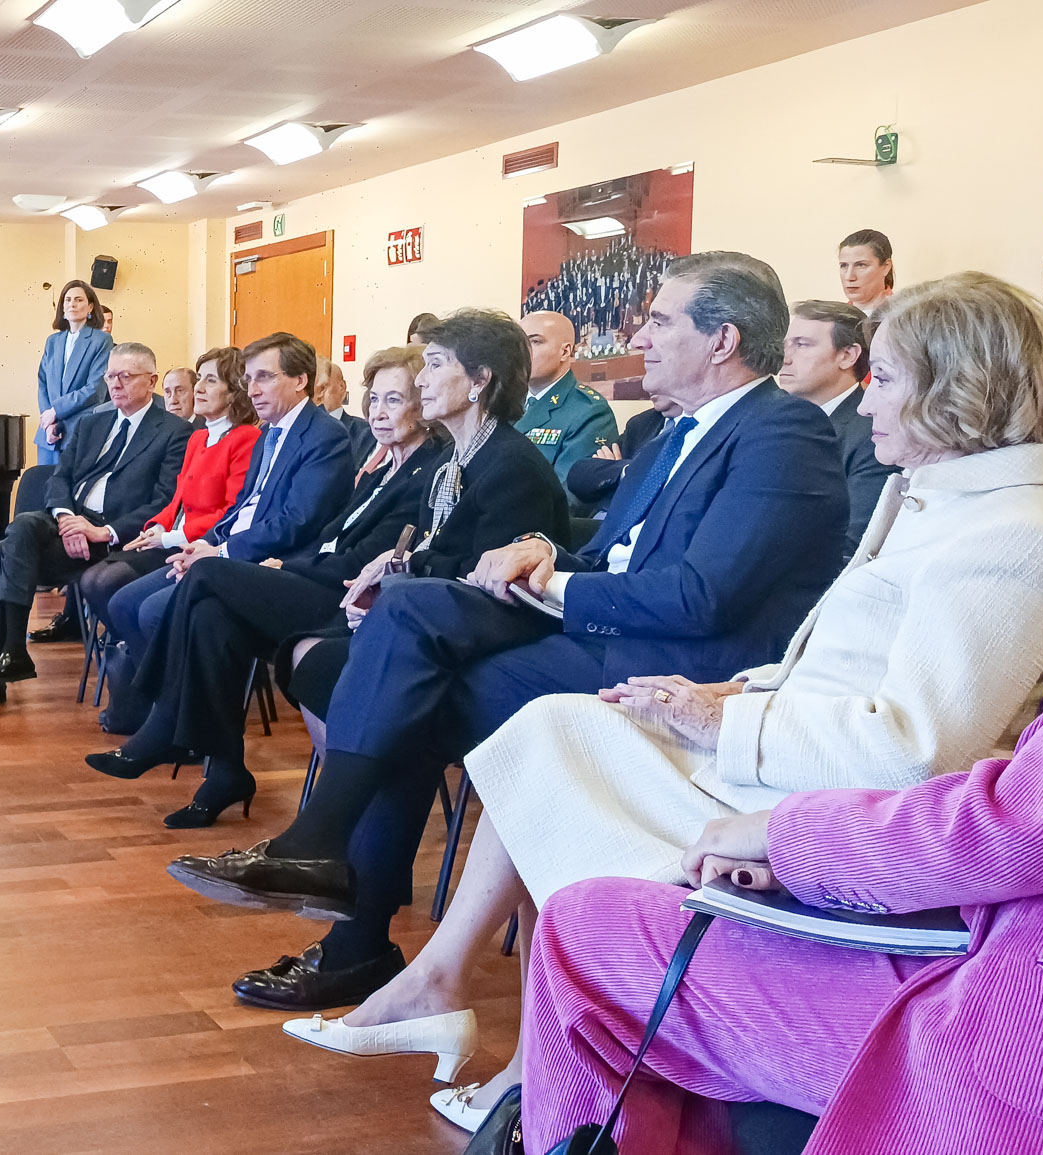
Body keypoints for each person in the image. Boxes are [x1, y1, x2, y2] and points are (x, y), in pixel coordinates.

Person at [338, 270, 1043, 1133]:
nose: (866, 399)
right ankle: (480, 1002)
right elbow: (837, 665)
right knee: (546, 729)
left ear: (957, 389)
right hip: (791, 740)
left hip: (829, 797)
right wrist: (733, 691)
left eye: (886, 377)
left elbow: (915, 751)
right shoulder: (949, 499)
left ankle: (536, 1036)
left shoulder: (1014, 533)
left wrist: (724, 718)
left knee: (547, 737)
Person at [164, 253, 849, 1027]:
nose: (641, 335)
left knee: (406, 678)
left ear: (721, 340)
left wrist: (551, 581)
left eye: (660, 320)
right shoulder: (669, 437)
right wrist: (542, 552)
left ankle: (336, 885)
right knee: (407, 621)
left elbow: (704, 596)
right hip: (606, 629)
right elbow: (606, 554)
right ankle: (343, 906)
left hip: (679, 669)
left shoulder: (783, 432)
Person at [525, 657, 1043, 1153]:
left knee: (581, 930)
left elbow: (1000, 812)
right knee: (544, 728)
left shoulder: (1013, 546)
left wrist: (785, 829)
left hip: (1023, 1036)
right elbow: (809, 664)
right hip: (977, 910)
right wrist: (735, 694)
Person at [84, 344, 459, 829]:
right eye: (375, 400)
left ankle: (163, 724)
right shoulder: (382, 465)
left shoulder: (421, 469)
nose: (377, 413)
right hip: (306, 570)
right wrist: (263, 557)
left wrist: (280, 566)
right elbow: (320, 531)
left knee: (204, 576)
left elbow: (347, 552)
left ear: (422, 405)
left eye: (394, 400)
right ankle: (225, 772)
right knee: (212, 616)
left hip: (340, 600)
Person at [95, 332, 352, 733]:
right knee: (126, 602)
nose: (253, 390)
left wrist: (221, 553)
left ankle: (181, 725)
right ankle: (172, 713)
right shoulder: (270, 433)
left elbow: (297, 521)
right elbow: (241, 507)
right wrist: (205, 542)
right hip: (229, 549)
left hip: (276, 564)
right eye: (249, 379)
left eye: (264, 377)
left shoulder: (324, 435)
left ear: (300, 380)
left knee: (151, 609)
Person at [0, 343, 190, 709]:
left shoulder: (174, 431)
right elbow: (60, 478)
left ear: (151, 381)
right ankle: (10, 654)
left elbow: (163, 501)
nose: (116, 384)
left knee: (4, 552)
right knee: (24, 527)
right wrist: (65, 520)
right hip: (68, 523)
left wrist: (102, 533)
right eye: (111, 376)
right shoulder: (94, 422)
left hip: (113, 534)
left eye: (126, 376)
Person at [77, 347, 259, 627]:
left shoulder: (246, 438)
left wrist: (168, 538)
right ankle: (129, 648)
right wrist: (158, 526)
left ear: (234, 391)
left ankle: (135, 652)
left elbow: (230, 512)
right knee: (93, 580)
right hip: (170, 539)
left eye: (211, 380)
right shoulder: (198, 438)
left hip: (199, 545)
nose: (199, 388)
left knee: (108, 583)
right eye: (199, 378)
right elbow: (177, 501)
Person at [778, 299, 896, 551]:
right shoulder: (776, 422)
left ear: (847, 355)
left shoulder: (873, 435)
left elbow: (851, 544)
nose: (784, 358)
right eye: (785, 345)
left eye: (801, 345)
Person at [515, 311, 618, 485]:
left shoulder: (588, 411)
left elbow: (570, 495)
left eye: (534, 342)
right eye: (518, 343)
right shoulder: (506, 401)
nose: (522, 352)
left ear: (565, 352)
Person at [35, 281, 113, 465]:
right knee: (45, 488)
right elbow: (42, 382)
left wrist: (55, 411)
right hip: (49, 434)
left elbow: (96, 388)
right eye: (68, 300)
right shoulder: (53, 341)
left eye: (79, 300)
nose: (72, 304)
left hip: (79, 429)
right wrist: (48, 421)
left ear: (90, 307)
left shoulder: (101, 340)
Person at [566, 396, 676, 516]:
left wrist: (620, 477)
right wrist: (623, 471)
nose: (646, 384)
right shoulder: (644, 422)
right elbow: (579, 475)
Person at [316, 357, 372, 464]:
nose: (318, 394)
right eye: (313, 388)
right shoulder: (298, 429)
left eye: (323, 387)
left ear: (342, 386)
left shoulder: (364, 432)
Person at [837, 228, 895, 310]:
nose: (849, 277)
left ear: (886, 267)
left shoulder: (906, 318)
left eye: (861, 265)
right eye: (844, 265)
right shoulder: (832, 319)